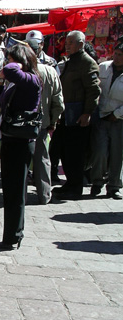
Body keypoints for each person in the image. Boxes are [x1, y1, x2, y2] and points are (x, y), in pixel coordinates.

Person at [0, 43, 43, 250]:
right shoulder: (18, 82)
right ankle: (12, 234)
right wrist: (0, 83)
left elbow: (11, 71)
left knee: (15, 191)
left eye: (11, 59)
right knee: (10, 190)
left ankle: (13, 236)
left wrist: (14, 65)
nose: (7, 64)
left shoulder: (31, 80)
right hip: (10, 137)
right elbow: (2, 103)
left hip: (21, 141)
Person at [53, 30, 101, 200]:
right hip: (67, 115)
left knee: (76, 153)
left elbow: (94, 90)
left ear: (80, 44)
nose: (67, 45)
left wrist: (87, 113)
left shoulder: (86, 63)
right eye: (67, 42)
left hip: (78, 115)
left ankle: (76, 186)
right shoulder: (69, 61)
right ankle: (70, 183)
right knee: (65, 152)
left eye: (71, 42)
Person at [25, 34, 64, 205]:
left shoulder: (19, 71)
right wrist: (54, 121)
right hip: (43, 122)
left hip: (21, 124)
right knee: (42, 159)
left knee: (21, 159)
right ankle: (44, 194)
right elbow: (58, 101)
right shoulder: (50, 71)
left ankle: (19, 193)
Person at [90, 42, 123, 200]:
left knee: (117, 154)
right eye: (116, 53)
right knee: (100, 152)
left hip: (119, 119)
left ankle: (114, 185)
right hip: (101, 116)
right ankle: (97, 181)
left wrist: (117, 114)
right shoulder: (103, 67)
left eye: (121, 55)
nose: (117, 57)